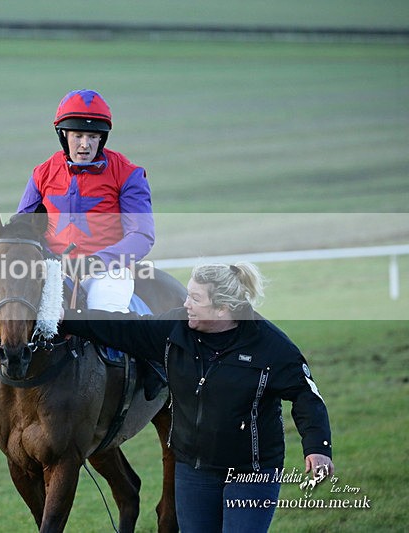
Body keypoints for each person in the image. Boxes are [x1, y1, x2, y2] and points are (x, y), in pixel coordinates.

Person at [59, 262, 334, 532]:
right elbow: (124, 328)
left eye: (195, 298)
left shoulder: (270, 346)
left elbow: (305, 395)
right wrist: (62, 317)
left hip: (252, 472)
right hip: (194, 470)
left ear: (222, 309)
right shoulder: (176, 328)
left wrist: (317, 447)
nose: (186, 303)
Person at [17, 89, 154, 313]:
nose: (85, 145)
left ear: (102, 138)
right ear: (64, 135)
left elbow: (141, 235)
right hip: (52, 271)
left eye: (92, 136)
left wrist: (96, 261)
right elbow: (21, 228)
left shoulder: (129, 174)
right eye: (77, 136)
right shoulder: (42, 173)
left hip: (109, 272)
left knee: (103, 317)